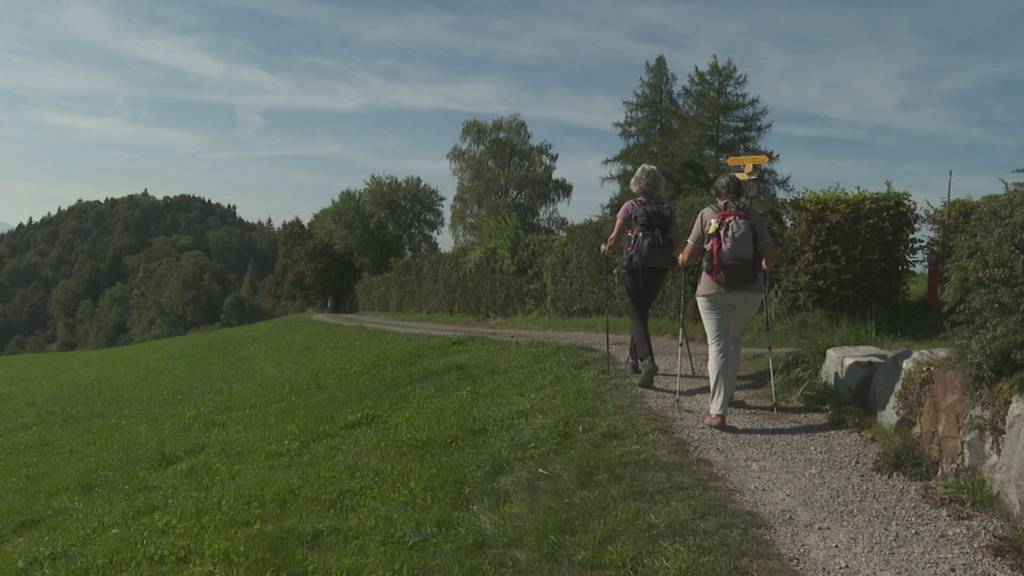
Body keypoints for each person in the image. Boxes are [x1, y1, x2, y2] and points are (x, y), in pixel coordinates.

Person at [678, 174, 779, 428]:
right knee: (733, 340)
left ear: (716, 194)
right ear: (741, 192)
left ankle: (718, 411)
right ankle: (727, 395)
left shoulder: (708, 214)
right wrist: (762, 266)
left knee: (718, 344)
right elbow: (771, 256)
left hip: (713, 288)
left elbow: (688, 256)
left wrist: (681, 259)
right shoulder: (753, 215)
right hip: (750, 290)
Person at [601, 164, 680, 388]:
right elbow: (677, 240)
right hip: (661, 265)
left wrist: (606, 249)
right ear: (658, 184)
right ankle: (632, 359)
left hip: (635, 264)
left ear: (636, 183)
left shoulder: (630, 206)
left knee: (636, 313)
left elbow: (614, 239)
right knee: (641, 311)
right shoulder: (667, 209)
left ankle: (648, 361)